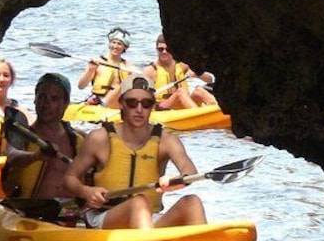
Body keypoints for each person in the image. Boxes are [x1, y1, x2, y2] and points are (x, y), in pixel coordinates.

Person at [63, 76, 207, 229]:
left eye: (146, 104)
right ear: (121, 104)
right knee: (139, 203)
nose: (139, 110)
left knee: (192, 202)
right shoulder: (100, 138)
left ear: (152, 106)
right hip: (105, 217)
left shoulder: (166, 140)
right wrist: (86, 191)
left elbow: (189, 171)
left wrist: (177, 180)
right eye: (132, 103)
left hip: (148, 218)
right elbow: (69, 179)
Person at [2, 73, 84, 199]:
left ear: (66, 103)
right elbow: (12, 156)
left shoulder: (79, 140)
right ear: (35, 99)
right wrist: (36, 156)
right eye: (42, 97)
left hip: (69, 213)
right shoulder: (21, 135)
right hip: (29, 211)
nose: (47, 104)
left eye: (54, 99)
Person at [142, 34, 217, 110]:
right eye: (161, 49)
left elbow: (209, 79)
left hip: (182, 105)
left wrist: (197, 74)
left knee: (199, 90)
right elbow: (139, 95)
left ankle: (220, 110)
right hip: (162, 107)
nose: (164, 52)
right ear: (156, 50)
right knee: (180, 92)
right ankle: (200, 117)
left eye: (168, 49)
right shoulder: (150, 71)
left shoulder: (182, 65)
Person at [77, 27, 141, 109]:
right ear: (109, 43)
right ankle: (102, 105)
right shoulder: (97, 62)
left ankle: (106, 104)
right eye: (113, 42)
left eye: (119, 44)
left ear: (125, 47)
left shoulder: (128, 67)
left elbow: (142, 77)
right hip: (97, 104)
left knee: (122, 84)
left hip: (116, 107)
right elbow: (81, 86)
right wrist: (90, 70)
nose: (115, 46)